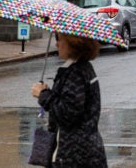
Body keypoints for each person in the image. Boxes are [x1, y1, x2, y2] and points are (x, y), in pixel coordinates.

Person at [31, 33, 107, 167]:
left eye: (60, 39)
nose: (57, 44)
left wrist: (43, 95)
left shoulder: (75, 73)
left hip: (74, 155)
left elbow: (68, 113)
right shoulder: (82, 68)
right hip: (85, 150)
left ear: (74, 44)